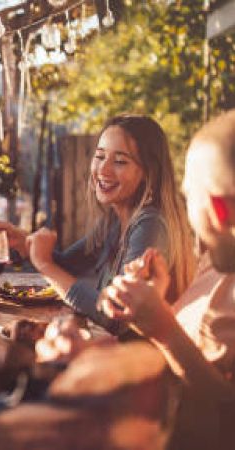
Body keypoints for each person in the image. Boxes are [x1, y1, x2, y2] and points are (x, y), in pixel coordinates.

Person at [98, 110, 235, 449]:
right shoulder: (219, 260)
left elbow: (227, 413)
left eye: (190, 198)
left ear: (218, 210)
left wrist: (162, 329)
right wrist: (159, 307)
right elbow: (196, 356)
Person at [0, 114, 195, 333]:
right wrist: (26, 244)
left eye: (120, 161)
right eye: (100, 157)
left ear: (148, 173)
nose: (103, 170)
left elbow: (117, 315)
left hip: (140, 358)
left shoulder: (150, 225)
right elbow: (67, 267)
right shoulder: (116, 221)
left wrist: (45, 265)